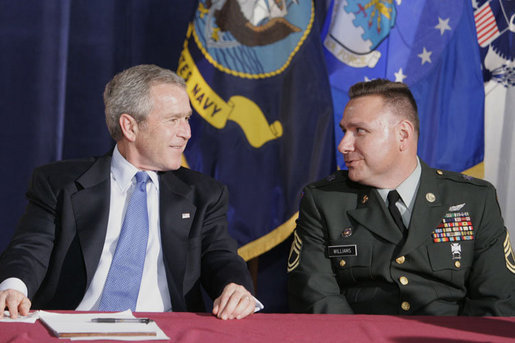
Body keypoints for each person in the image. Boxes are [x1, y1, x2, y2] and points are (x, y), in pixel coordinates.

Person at [0, 64, 259, 320]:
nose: (186, 133)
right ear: (130, 127)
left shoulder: (204, 194)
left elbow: (220, 256)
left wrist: (234, 286)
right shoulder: (60, 184)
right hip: (74, 328)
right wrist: (13, 287)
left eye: (187, 118)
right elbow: (31, 247)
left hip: (167, 332)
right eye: (173, 120)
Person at [287, 79, 515, 316]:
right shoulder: (324, 200)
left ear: (403, 135)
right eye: (344, 131)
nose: (344, 145)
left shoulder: (474, 199)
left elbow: (496, 301)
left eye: (359, 131)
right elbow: (315, 296)